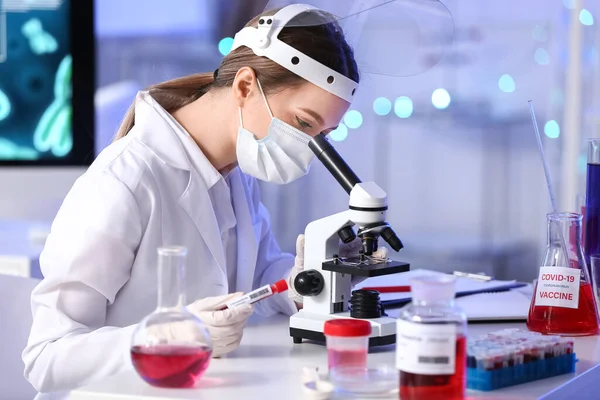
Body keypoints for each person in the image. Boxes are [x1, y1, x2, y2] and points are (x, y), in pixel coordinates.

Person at [22, 4, 373, 398]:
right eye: (304, 124)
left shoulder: (236, 170)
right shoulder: (124, 179)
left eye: (323, 135)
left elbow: (255, 283)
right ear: (244, 86)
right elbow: (47, 359)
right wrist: (162, 336)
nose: (309, 149)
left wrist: (304, 282)